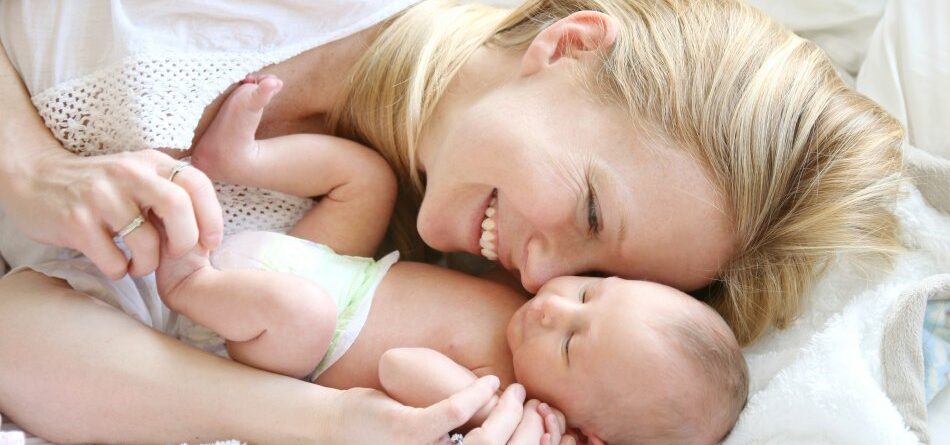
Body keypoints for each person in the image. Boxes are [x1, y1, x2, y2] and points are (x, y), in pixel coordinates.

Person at [0, 0, 902, 442]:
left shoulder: (362, 260)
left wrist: (330, 421)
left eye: (610, 277)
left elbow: (20, 334)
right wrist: (32, 168)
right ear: (571, 46)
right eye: (592, 209)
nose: (546, 279)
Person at [157, 75, 748, 445]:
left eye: (569, 346)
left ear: (585, 429)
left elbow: (396, 366)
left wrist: (477, 404)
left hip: (302, 341)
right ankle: (240, 159)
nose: (553, 308)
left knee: (301, 312)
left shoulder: (499, 396)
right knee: (367, 178)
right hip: (342, 266)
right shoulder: (525, 295)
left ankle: (187, 283)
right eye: (589, 295)